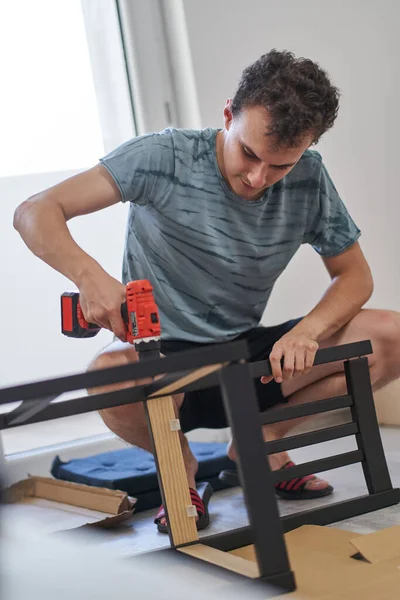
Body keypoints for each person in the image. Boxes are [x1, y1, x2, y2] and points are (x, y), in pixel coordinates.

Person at [14, 50, 400, 531]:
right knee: (109, 374)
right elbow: (35, 210)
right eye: (250, 154)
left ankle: (261, 442)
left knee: (390, 333)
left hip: (247, 358)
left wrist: (308, 331)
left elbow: (355, 276)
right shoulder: (165, 156)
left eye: (280, 165)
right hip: (159, 357)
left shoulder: (309, 178)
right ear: (227, 115)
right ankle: (182, 474)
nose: (258, 179)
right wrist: (90, 277)